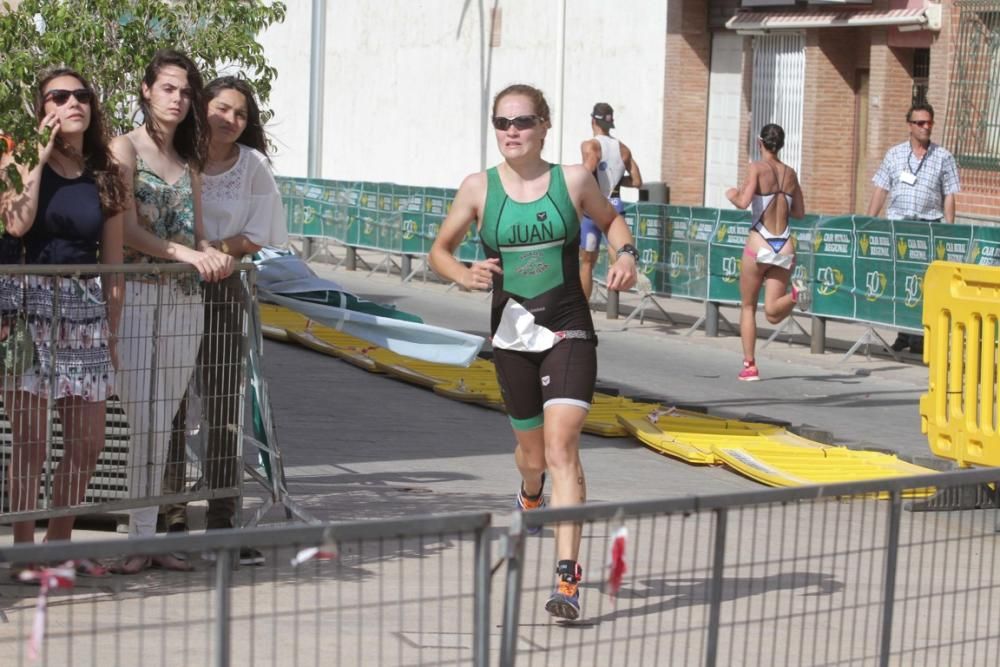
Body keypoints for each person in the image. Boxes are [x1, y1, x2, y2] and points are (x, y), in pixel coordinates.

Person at [428, 83, 638, 621]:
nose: (512, 132)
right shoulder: (478, 188)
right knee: (533, 456)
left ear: (544, 125)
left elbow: (612, 221)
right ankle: (530, 490)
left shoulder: (572, 180)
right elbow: (439, 251)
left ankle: (567, 579)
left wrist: (628, 254)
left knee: (563, 446)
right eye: (502, 123)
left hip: (569, 326)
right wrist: (462, 273)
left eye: (522, 121)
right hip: (512, 336)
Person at [110, 50, 233, 573]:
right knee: (142, 419)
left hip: (185, 300)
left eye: (185, 91)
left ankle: (150, 534)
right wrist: (187, 253)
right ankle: (138, 535)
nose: (178, 99)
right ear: (145, 91)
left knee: (165, 424)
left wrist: (216, 252)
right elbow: (127, 229)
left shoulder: (190, 162)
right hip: (139, 292)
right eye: (168, 88)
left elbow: (199, 232)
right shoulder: (123, 147)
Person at [160, 76, 287, 566]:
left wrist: (215, 250)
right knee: (167, 403)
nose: (230, 119)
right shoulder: (174, 152)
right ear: (201, 107)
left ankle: (222, 519)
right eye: (221, 108)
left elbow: (261, 234)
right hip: (168, 289)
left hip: (221, 291)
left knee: (221, 407)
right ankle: (169, 515)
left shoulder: (253, 166)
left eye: (240, 113)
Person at [0, 68, 125, 563]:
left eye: (82, 95)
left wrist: (112, 329)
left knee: (88, 441)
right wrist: (37, 152)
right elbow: (16, 221)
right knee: (30, 442)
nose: (74, 102)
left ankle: (60, 543)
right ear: (42, 108)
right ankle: (24, 551)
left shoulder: (106, 172)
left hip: (85, 314)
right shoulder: (15, 161)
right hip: (27, 308)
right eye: (60, 96)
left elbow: (112, 262)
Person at [866, 101, 960, 355]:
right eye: (920, 123)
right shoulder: (894, 154)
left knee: (925, 284)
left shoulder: (943, 157)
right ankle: (902, 334)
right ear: (910, 126)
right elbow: (881, 189)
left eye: (929, 122)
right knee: (900, 281)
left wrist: (948, 230)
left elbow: (949, 194)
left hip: (929, 227)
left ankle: (919, 336)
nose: (926, 127)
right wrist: (869, 221)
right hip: (899, 227)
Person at [725, 123, 806, 382]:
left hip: (760, 242)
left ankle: (750, 366)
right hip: (784, 244)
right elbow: (800, 213)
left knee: (748, 307)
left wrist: (730, 193)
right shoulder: (791, 174)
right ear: (780, 145)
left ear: (760, 142)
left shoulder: (757, 168)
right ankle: (795, 295)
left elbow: (742, 202)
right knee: (772, 313)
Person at [578, 102, 642, 301]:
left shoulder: (590, 145)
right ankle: (628, 279)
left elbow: (586, 171)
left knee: (587, 262)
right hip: (615, 205)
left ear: (592, 121)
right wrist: (614, 179)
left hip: (594, 207)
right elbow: (637, 181)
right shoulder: (623, 149)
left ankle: (583, 311)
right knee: (620, 255)